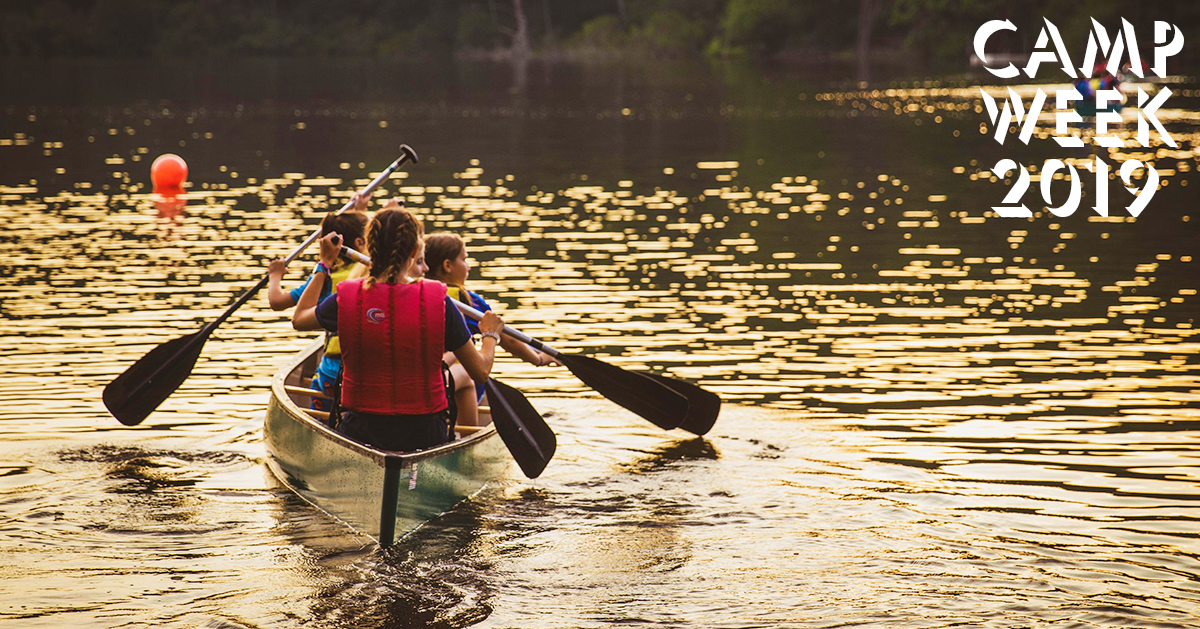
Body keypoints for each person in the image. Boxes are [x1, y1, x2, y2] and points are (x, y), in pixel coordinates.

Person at [292, 202, 505, 452]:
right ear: (414, 251)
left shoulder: (347, 297)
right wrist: (490, 334)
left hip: (361, 430)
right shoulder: (440, 300)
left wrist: (324, 264)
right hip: (425, 434)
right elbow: (480, 371)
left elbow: (299, 319)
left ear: (370, 247)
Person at [423, 232, 558, 427]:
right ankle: (471, 435)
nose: (468, 267)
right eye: (464, 260)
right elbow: (509, 339)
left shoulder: (419, 296)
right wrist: (538, 359)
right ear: (447, 265)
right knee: (479, 386)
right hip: (460, 379)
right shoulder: (468, 301)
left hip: (431, 380)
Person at [267, 207, 369, 412]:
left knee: (322, 398)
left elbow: (277, 301)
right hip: (364, 369)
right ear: (360, 242)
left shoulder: (322, 278)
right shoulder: (368, 273)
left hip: (331, 372)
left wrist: (275, 276)